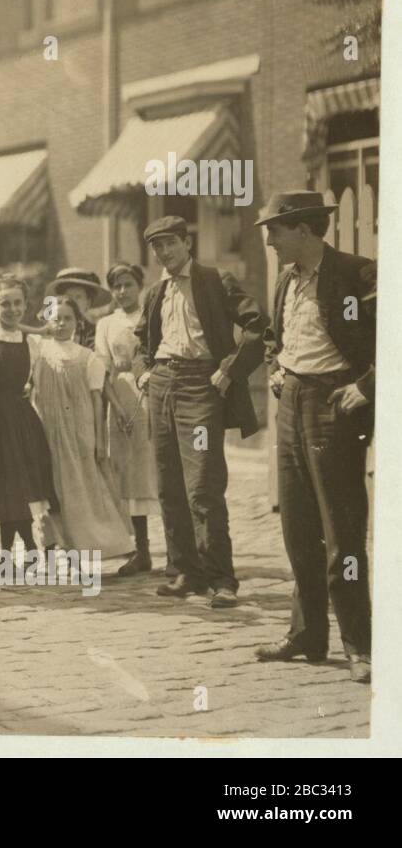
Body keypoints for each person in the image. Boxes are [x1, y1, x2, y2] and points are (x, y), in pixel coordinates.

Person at [254, 191, 374, 684]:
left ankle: (359, 643)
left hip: (335, 404)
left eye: (274, 231)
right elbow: (273, 337)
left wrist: (365, 387)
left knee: (341, 529)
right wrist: (277, 369)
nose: (268, 241)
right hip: (292, 401)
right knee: (298, 524)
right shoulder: (286, 280)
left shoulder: (356, 274)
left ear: (303, 229)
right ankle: (307, 634)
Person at [133, 215, 268, 608]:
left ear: (186, 242)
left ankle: (221, 579)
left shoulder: (215, 280)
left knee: (203, 485)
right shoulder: (155, 292)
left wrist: (230, 370)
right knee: (168, 485)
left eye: (170, 243)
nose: (164, 252)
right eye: (157, 246)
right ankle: (185, 573)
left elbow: (258, 325)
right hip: (162, 387)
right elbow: (142, 340)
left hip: (201, 389)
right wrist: (144, 375)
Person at [31, 296, 135, 563]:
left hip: (79, 431)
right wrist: (40, 331)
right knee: (52, 487)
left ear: (77, 323)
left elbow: (96, 400)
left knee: (82, 487)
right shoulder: (39, 350)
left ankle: (94, 543)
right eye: (56, 317)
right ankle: (57, 544)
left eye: (68, 318)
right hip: (47, 430)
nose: (62, 324)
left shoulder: (88, 358)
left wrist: (100, 440)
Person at [94, 263, 166, 577]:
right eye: (117, 286)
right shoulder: (106, 323)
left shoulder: (152, 315)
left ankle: (179, 550)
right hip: (120, 397)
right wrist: (118, 409)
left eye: (128, 285)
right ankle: (141, 549)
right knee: (127, 473)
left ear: (140, 285)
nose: (122, 292)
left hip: (150, 393)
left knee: (152, 470)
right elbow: (103, 371)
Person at [0, 276, 58, 567]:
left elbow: (35, 381)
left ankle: (22, 551)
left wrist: (35, 328)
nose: (12, 309)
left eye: (18, 303)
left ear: (26, 305)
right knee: (5, 487)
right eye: (5, 303)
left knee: (21, 487)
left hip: (21, 418)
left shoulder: (32, 343)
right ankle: (21, 549)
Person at [45, 268, 108, 350]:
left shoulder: (97, 334)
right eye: (69, 296)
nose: (73, 301)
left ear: (88, 303)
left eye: (78, 297)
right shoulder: (50, 329)